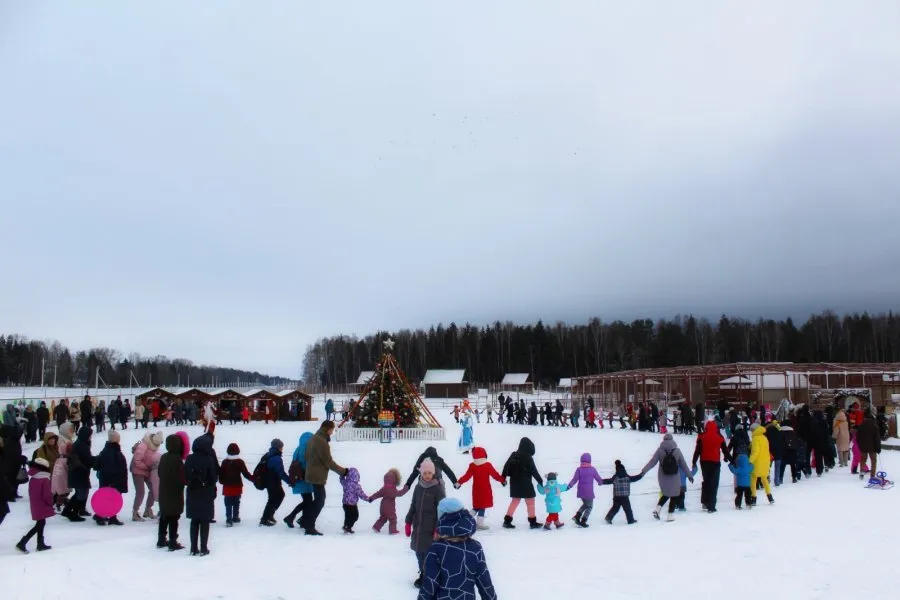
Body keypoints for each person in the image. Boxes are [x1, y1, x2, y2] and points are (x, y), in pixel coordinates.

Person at [418, 497, 497, 600]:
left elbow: (430, 584)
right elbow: (485, 582)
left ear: (442, 519)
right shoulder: (475, 547)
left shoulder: (436, 548)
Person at [405, 458, 446, 588]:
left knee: (429, 554)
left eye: (429, 473)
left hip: (431, 528)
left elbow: (442, 510)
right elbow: (413, 505)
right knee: (418, 552)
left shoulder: (437, 489)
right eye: (425, 473)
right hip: (418, 528)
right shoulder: (418, 488)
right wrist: (408, 521)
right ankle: (423, 573)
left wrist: (438, 528)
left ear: (433, 473)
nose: (427, 475)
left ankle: (430, 576)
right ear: (421, 474)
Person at [303, 421, 348, 535]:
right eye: (332, 430)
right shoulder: (321, 442)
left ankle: (305, 520)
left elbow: (307, 456)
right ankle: (309, 526)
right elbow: (328, 462)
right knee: (320, 501)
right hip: (317, 475)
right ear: (327, 429)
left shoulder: (314, 438)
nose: (332, 433)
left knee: (319, 500)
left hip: (312, 473)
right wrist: (343, 471)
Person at [641, 433, 693, 522]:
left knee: (666, 493)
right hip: (674, 476)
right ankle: (670, 515)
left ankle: (657, 509)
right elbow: (683, 464)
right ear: (672, 440)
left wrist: (644, 471)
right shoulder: (677, 450)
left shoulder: (659, 450)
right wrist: (689, 475)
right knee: (675, 494)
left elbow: (652, 462)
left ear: (664, 440)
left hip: (663, 475)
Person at [455, 447, 504, 531]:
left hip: (476, 490)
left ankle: (465, 518)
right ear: (484, 455)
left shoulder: (472, 466)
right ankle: (479, 524)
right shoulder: (487, 465)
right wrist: (502, 480)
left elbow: (466, 476)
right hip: (485, 489)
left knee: (477, 506)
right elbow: (495, 475)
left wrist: (459, 482)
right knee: (482, 506)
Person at [184, 433, 218, 556]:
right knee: (204, 521)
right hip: (206, 492)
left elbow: (185, 476)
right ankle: (203, 547)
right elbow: (213, 478)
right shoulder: (209, 459)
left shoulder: (189, 459)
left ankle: (193, 548)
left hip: (192, 491)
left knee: (194, 521)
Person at [501, 437, 544, 529]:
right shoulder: (528, 457)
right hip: (525, 483)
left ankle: (507, 521)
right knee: (530, 501)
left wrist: (503, 478)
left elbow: (506, 466)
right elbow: (534, 471)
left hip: (515, 482)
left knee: (515, 501)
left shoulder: (514, 454)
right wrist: (540, 481)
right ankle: (532, 522)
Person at [158, 431, 190, 551]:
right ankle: (172, 541)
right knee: (173, 518)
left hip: (163, 490)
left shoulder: (164, 457)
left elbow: (160, 473)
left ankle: (161, 539)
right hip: (175, 493)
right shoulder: (177, 460)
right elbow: (182, 477)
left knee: (164, 516)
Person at [691, 421, 732, 513]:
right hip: (715, 462)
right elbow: (725, 451)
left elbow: (697, 450)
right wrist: (732, 460)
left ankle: (705, 502)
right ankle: (711, 506)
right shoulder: (720, 437)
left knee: (706, 482)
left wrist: (694, 462)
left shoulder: (702, 436)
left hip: (704, 462)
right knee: (714, 484)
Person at [15, 458, 54, 553]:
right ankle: (23, 542)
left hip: (35, 504)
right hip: (42, 505)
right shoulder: (44, 478)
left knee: (41, 523)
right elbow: (47, 495)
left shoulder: (34, 478)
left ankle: (40, 543)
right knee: (40, 524)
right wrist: (50, 503)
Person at [93, 430, 127, 526]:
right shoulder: (111, 450)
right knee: (108, 498)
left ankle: (111, 516)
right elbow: (111, 468)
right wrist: (113, 482)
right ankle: (100, 516)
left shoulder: (110, 449)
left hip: (110, 480)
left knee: (110, 499)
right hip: (111, 481)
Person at [131, 432, 164, 521]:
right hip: (138, 472)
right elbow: (137, 461)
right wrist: (148, 467)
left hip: (147, 471)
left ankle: (148, 509)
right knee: (140, 492)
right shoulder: (143, 446)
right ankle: (135, 512)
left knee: (153, 490)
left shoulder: (153, 446)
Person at [218, 443, 253, 527]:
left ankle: (229, 519)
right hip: (237, 486)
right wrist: (253, 479)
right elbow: (245, 473)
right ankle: (236, 517)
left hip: (227, 486)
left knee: (228, 503)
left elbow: (221, 474)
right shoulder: (240, 462)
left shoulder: (225, 462)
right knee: (237, 501)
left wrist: (221, 481)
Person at [283, 432, 313, 528]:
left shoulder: (297, 449)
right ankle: (291, 517)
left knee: (307, 500)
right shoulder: (307, 449)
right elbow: (307, 464)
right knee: (308, 501)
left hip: (297, 478)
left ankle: (303, 519)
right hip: (304, 479)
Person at [567, 452, 604, 527]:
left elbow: (574, 479)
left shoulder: (579, 469)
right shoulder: (592, 469)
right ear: (590, 460)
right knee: (589, 506)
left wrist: (569, 486)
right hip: (589, 492)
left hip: (581, 491)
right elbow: (598, 478)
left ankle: (577, 516)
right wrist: (600, 482)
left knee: (585, 504)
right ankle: (583, 521)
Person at [368, 467, 409, 534]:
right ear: (395, 480)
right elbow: (400, 494)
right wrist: (406, 488)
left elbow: (378, 494)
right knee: (393, 519)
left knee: (383, 518)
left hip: (382, 506)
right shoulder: (393, 489)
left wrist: (371, 498)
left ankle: (376, 527)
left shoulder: (384, 488)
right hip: (390, 508)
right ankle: (392, 531)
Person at [260, 439, 290, 526]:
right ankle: (265, 518)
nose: (282, 449)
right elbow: (281, 473)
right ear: (278, 447)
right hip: (273, 482)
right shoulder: (276, 458)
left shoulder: (269, 454)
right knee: (274, 499)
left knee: (277, 496)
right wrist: (289, 481)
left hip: (269, 481)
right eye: (281, 447)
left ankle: (269, 516)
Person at [602, 460, 642, 525]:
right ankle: (630, 520)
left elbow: (608, 481)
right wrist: (641, 475)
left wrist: (601, 481)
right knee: (628, 509)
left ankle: (608, 517)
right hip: (624, 497)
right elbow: (635, 478)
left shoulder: (615, 477)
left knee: (615, 508)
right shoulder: (627, 477)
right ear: (624, 469)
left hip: (616, 496)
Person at [67, 426, 95, 520]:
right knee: (82, 493)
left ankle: (68, 510)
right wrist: (97, 461)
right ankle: (74, 513)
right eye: (90, 435)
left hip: (78, 472)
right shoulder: (81, 445)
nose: (91, 437)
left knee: (79, 493)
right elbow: (87, 459)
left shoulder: (80, 443)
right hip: (79, 472)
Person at [749, 424, 774, 505]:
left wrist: (750, 461)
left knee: (753, 480)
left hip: (757, 463)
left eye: (751, 430)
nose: (751, 431)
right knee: (765, 480)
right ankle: (770, 497)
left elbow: (756, 452)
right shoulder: (764, 437)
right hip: (765, 462)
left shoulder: (755, 439)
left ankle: (753, 498)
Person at [338, 466, 369, 534]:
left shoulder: (346, 483)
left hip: (345, 504)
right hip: (352, 505)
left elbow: (341, 480)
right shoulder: (356, 486)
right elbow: (361, 494)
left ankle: (346, 526)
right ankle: (348, 527)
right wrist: (368, 499)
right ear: (357, 476)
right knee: (355, 516)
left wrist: (342, 474)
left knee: (348, 516)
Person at [856, 409, 881, 480]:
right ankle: (872, 475)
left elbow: (858, 437)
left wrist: (860, 445)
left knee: (863, 459)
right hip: (872, 447)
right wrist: (878, 448)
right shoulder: (874, 427)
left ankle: (862, 471)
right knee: (873, 460)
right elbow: (877, 439)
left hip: (863, 447)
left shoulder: (861, 426)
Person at [765, 420, 784, 486]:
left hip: (769, 452)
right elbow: (782, 438)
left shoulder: (766, 432)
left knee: (767, 467)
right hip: (778, 451)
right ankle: (777, 481)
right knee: (777, 467)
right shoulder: (779, 431)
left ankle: (767, 480)